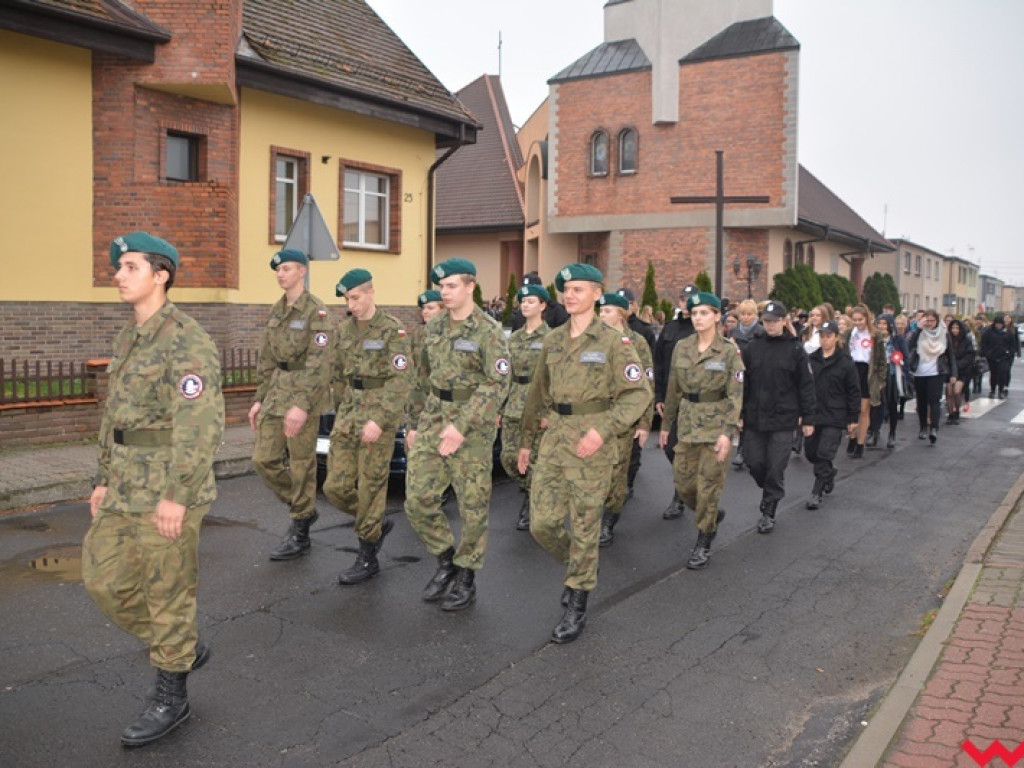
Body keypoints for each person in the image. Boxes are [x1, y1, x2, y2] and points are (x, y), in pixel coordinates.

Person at [84, 232, 225, 746]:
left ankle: (172, 694)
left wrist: (178, 495)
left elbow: (201, 424)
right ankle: (181, 644)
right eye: (118, 267)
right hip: (123, 485)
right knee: (103, 580)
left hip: (167, 489)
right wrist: (102, 479)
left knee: (168, 592)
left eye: (129, 266)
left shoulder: (187, 339)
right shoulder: (129, 337)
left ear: (161, 274)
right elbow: (113, 418)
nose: (118, 275)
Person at [518, 263, 650, 643]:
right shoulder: (554, 340)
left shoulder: (614, 342)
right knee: (541, 525)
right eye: (566, 290)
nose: (570, 295)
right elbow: (537, 395)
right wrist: (527, 441)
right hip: (555, 440)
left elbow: (637, 393)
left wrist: (603, 429)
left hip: (593, 445)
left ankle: (577, 599)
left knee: (587, 524)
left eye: (578, 289)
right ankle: (579, 565)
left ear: (597, 293)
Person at [405, 258, 510, 611]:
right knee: (417, 499)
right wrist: (414, 424)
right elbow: (421, 380)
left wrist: (461, 427)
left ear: (470, 286)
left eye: (451, 286)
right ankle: (446, 558)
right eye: (441, 286)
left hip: (473, 426)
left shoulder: (489, 330)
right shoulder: (433, 329)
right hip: (434, 416)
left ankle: (466, 574)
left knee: (472, 505)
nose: (444, 292)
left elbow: (497, 383)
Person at [322, 269, 413, 585]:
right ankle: (374, 523)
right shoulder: (343, 330)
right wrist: (340, 407)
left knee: (372, 485)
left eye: (355, 297)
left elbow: (401, 380)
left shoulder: (392, 331)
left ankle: (367, 556)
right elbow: (335, 373)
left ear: (371, 292)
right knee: (335, 487)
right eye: (347, 299)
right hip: (348, 415)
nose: (351, 304)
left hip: (378, 418)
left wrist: (381, 419)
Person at [660, 291, 743, 569]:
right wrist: (665, 425)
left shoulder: (729, 352)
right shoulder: (682, 347)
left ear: (718, 316)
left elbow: (735, 394)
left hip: (715, 426)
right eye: (694, 313)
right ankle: (710, 513)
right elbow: (673, 389)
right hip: (686, 424)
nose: (698, 318)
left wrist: (727, 432)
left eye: (704, 313)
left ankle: (704, 539)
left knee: (708, 486)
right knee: (684, 485)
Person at [740, 300, 816, 533]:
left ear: (784, 322)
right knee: (754, 462)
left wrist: (809, 418)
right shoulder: (753, 347)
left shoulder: (795, 349)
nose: (770, 325)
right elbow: (743, 384)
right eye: (767, 321)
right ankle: (769, 489)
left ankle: (769, 509)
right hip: (754, 417)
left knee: (775, 466)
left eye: (775, 321)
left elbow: (806, 385)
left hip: (783, 418)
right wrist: (739, 413)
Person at [596, 292, 655, 547]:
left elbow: (646, 384)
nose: (601, 315)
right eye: (600, 310)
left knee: (617, 472)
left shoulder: (637, 342)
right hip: (595, 416)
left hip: (623, 416)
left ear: (621, 313)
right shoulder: (592, 340)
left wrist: (644, 424)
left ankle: (609, 519)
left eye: (607, 310)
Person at [500, 283, 551, 531]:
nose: (525, 305)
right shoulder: (514, 337)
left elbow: (555, 378)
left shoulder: (551, 337)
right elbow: (505, 374)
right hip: (514, 402)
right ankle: (529, 489)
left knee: (535, 459)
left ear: (542, 305)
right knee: (509, 458)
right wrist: (500, 408)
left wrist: (548, 411)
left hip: (538, 402)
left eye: (531, 301)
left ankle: (533, 501)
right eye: (522, 301)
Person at [652, 283, 698, 520]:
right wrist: (658, 396)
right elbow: (658, 365)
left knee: (690, 449)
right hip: (672, 399)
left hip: (696, 400)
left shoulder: (702, 328)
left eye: (691, 299)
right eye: (683, 299)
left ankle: (681, 495)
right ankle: (685, 484)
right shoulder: (669, 329)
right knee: (671, 448)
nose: (686, 303)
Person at [804, 321, 860, 510]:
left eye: (828, 336)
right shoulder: (811, 359)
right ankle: (829, 473)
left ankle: (816, 491)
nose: (825, 340)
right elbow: (803, 387)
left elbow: (854, 391)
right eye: (822, 336)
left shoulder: (845, 362)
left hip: (835, 415)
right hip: (814, 414)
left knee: (824, 453)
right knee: (811, 453)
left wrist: (853, 418)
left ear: (836, 337)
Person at [907, 309, 956, 443]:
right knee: (921, 402)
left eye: (932, 321)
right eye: (926, 320)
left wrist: (953, 373)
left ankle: (934, 428)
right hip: (920, 371)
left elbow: (950, 355)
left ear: (937, 321)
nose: (929, 323)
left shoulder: (944, 333)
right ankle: (923, 427)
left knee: (934, 401)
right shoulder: (918, 332)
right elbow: (909, 345)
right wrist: (918, 329)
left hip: (936, 371)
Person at [843, 305, 886, 456]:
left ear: (867, 318)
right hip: (851, 370)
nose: (857, 323)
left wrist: (881, 381)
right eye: (854, 320)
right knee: (850, 408)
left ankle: (860, 444)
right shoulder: (848, 333)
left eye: (860, 320)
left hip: (868, 373)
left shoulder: (876, 335)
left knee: (863, 410)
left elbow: (881, 360)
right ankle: (852, 437)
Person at [727, 299, 764, 470]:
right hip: (738, 376)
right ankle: (741, 449)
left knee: (752, 413)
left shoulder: (761, 332)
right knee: (739, 412)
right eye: (743, 314)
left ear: (755, 315)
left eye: (749, 314)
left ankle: (750, 447)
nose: (746, 317)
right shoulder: (734, 332)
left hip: (755, 375)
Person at [875, 314, 910, 449]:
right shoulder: (875, 339)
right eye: (880, 324)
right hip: (878, 374)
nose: (882, 327)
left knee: (891, 404)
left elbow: (905, 357)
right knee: (876, 404)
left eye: (885, 324)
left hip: (892, 373)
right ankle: (875, 431)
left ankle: (892, 433)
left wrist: (900, 362)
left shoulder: (897, 339)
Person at [945, 318, 976, 425]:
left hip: (962, 370)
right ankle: (950, 414)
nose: (955, 330)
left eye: (957, 328)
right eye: (953, 328)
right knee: (949, 392)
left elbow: (970, 356)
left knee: (957, 391)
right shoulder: (947, 340)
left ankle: (957, 411)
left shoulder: (966, 340)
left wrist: (957, 365)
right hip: (949, 370)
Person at [981, 315, 1015, 398]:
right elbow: (984, 344)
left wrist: (1009, 354)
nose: (998, 325)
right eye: (997, 324)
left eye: (1000, 324)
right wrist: (987, 353)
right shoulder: (989, 332)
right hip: (992, 357)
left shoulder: (1007, 333)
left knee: (1002, 374)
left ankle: (1001, 391)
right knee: (993, 374)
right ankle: (992, 390)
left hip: (1004, 358)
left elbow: (1012, 345)